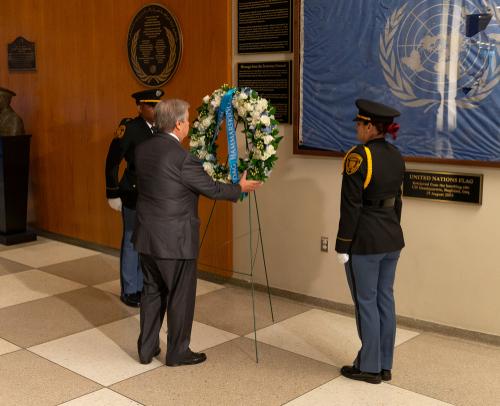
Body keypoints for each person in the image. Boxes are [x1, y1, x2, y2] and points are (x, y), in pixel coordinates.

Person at [133, 99, 262, 366]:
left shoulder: (142, 149)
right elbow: (212, 189)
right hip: (176, 241)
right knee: (180, 295)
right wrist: (240, 188)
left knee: (151, 293)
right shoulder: (182, 159)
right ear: (178, 124)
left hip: (147, 237)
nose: (189, 124)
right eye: (188, 120)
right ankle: (177, 352)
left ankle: (146, 350)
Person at [335, 99, 405, 384]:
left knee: (366, 302)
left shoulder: (358, 156)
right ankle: (385, 364)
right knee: (385, 299)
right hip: (391, 237)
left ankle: (369, 366)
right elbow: (397, 201)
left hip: (364, 241)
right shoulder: (396, 154)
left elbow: (350, 205)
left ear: (370, 127)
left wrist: (342, 244)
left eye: (360, 124)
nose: (357, 128)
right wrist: (391, 230)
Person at [105, 89, 164, 307]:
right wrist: (112, 192)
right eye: (152, 106)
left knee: (147, 242)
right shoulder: (129, 128)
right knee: (132, 240)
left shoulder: (160, 129)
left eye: (158, 105)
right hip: (132, 192)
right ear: (140, 107)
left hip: (154, 196)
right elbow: (112, 161)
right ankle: (130, 289)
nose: (156, 109)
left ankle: (144, 286)